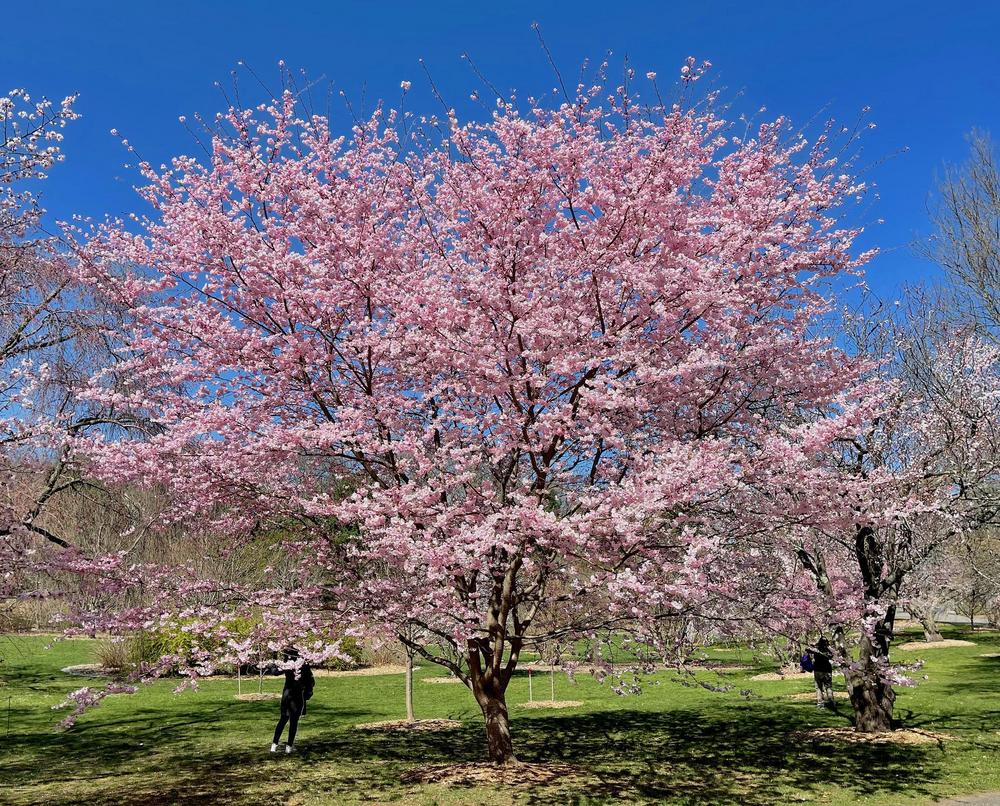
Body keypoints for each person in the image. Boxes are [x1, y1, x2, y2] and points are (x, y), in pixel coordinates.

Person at [271, 648, 315, 754]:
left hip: (287, 694)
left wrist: (274, 658)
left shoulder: (286, 665)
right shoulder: (303, 665)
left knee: (283, 719)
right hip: (297, 695)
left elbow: (275, 672)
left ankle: (274, 745)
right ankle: (289, 746)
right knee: (293, 721)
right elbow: (311, 681)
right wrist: (308, 692)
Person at [812, 637, 835, 709]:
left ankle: (820, 703)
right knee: (828, 686)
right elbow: (832, 656)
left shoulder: (816, 650)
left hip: (818, 670)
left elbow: (809, 651)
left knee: (818, 687)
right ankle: (831, 701)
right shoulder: (828, 651)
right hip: (827, 670)